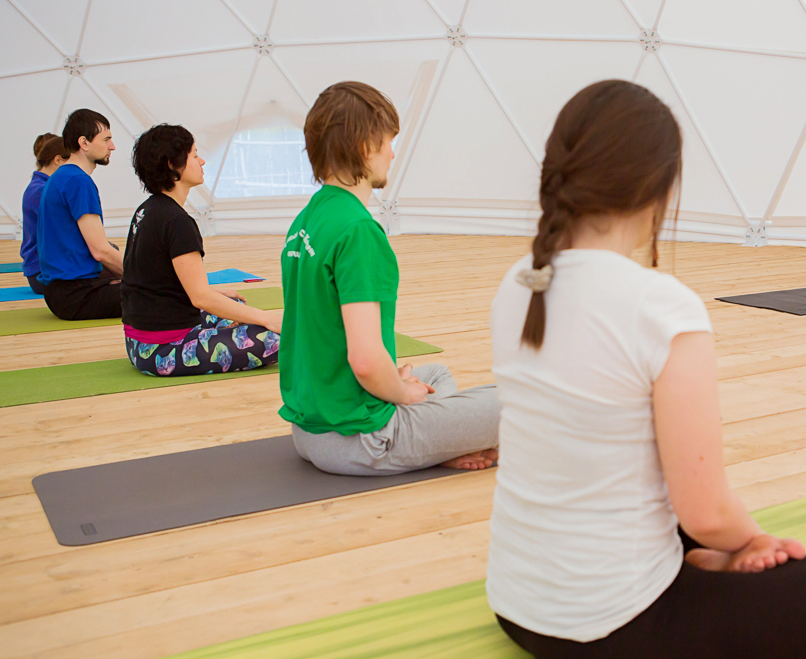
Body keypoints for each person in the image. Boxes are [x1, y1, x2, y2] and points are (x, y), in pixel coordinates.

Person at [486, 80, 806, 659]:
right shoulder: (659, 306)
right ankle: (705, 564)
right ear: (659, 187)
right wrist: (751, 542)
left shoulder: (520, 282)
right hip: (608, 637)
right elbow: (704, 511)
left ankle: (700, 561)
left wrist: (716, 545)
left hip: (515, 605)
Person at [281, 81, 500, 476]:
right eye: (387, 143)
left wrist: (397, 386)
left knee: (435, 375)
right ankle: (433, 444)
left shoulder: (307, 220)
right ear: (365, 146)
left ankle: (438, 445)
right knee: (519, 400)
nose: (392, 154)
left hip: (308, 430)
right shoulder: (358, 231)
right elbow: (365, 361)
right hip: (363, 438)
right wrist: (399, 393)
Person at [121, 124, 282, 376]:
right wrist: (265, 318)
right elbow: (200, 298)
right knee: (277, 337)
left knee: (231, 303)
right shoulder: (177, 222)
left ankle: (229, 329)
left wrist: (215, 293)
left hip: (136, 344)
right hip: (162, 351)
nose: (202, 161)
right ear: (173, 165)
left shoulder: (146, 210)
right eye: (195, 155)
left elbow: (158, 281)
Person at [36, 109, 124, 319]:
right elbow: (100, 251)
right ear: (84, 143)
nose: (112, 146)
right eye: (106, 139)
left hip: (63, 291)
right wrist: (146, 278)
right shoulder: (78, 181)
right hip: (75, 295)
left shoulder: (62, 176)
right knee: (163, 293)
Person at [20, 133, 70, 294]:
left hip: (45, 268)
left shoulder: (42, 187)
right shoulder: (40, 191)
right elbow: (63, 232)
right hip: (42, 272)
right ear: (57, 159)